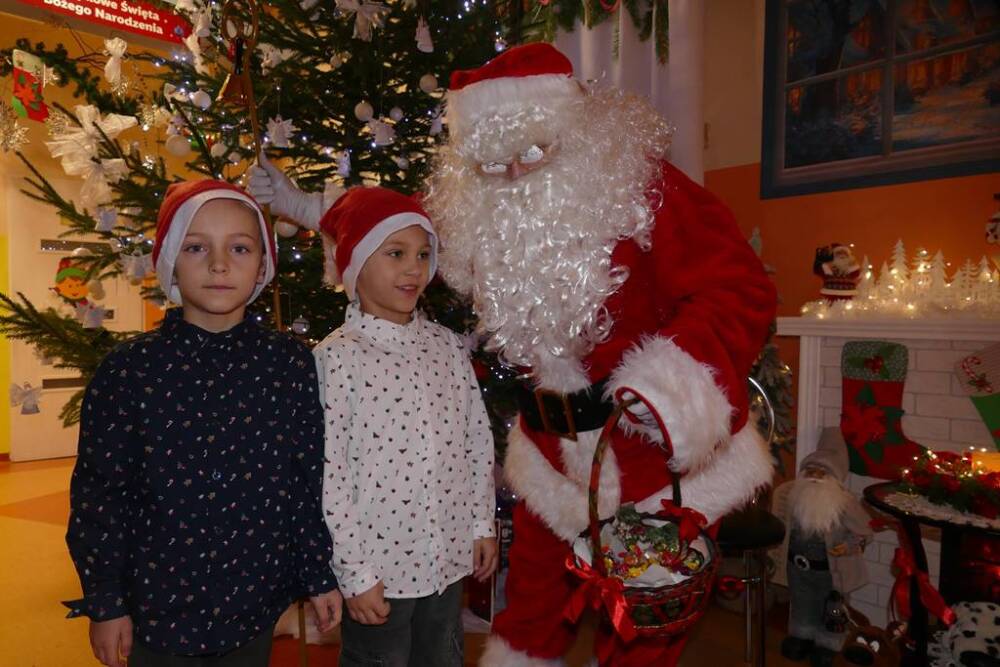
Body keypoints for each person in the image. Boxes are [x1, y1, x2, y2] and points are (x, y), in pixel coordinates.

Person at [249, 43, 776, 666]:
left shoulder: (642, 187)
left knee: (641, 637)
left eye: (533, 153)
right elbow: (391, 228)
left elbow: (740, 288)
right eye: (494, 164)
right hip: (549, 458)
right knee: (529, 619)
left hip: (653, 457)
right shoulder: (481, 208)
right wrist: (304, 207)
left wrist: (670, 382)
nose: (516, 177)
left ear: (576, 133)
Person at [64, 180, 341, 667]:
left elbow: (304, 481)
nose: (219, 264)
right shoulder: (129, 371)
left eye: (239, 248)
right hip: (158, 603)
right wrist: (105, 602)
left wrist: (318, 574)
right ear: (170, 260)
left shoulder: (289, 365)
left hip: (254, 600)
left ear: (263, 265)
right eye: (196, 247)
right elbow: (101, 495)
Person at [312, 186, 498, 667]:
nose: (414, 268)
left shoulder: (447, 347)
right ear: (356, 265)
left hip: (446, 557)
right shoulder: (336, 358)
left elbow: (476, 441)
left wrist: (481, 522)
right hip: (380, 571)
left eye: (422, 254)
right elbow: (329, 476)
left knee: (443, 655)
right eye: (395, 253)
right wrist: (354, 572)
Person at [773, 429, 872, 667]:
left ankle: (829, 645)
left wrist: (847, 546)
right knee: (801, 603)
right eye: (810, 471)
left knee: (832, 610)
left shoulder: (845, 504)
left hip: (830, 571)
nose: (815, 477)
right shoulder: (792, 497)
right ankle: (801, 636)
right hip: (797, 568)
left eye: (822, 472)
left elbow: (865, 532)